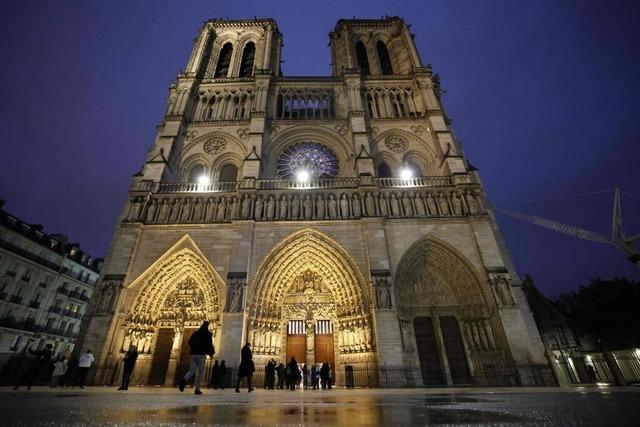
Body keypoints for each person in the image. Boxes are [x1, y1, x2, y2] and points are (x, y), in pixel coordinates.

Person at [179, 321, 215, 395]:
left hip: (193, 354)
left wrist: (194, 347)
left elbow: (189, 342)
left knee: (191, 370)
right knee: (200, 373)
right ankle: (197, 389)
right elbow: (209, 344)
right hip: (201, 355)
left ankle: (184, 379)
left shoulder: (195, 333)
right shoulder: (208, 334)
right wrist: (210, 353)